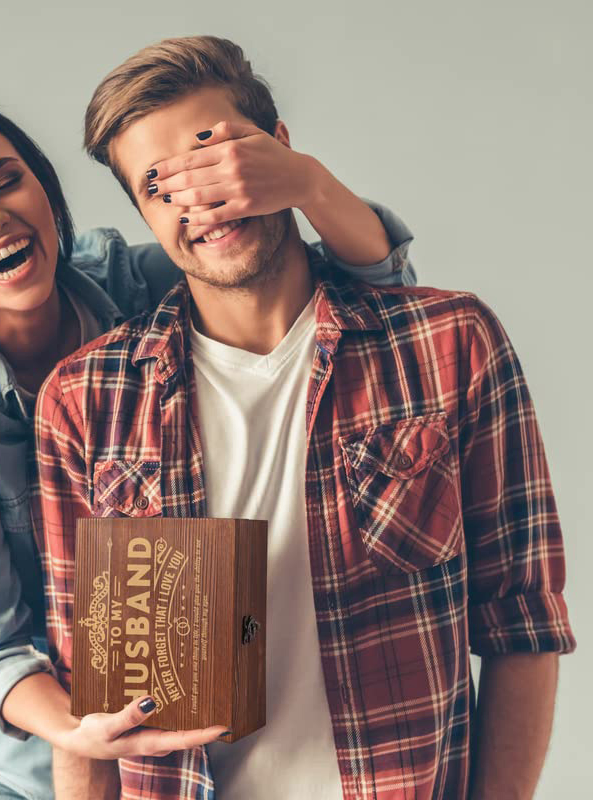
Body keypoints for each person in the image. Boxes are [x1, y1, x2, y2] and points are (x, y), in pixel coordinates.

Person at [35, 35, 576, 799]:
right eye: (161, 186)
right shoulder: (87, 402)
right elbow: (84, 702)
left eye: (216, 158)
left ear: (279, 148)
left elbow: (523, 626)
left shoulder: (451, 343)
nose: (200, 199)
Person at [0, 98, 415, 799]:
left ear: (44, 188)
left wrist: (307, 184)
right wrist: (81, 732)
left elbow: (374, 290)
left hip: (214, 738)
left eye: (5, 181)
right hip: (51, 774)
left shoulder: (137, 284)